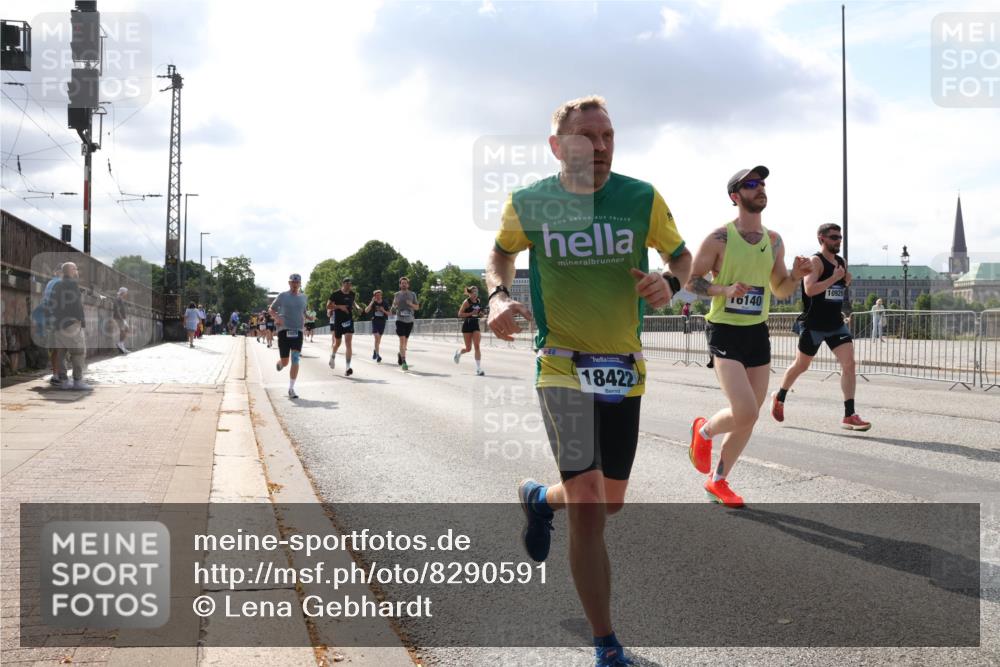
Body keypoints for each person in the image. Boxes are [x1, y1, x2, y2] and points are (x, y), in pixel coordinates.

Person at [486, 96, 691, 667]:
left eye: (608, 136)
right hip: (560, 363)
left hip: (623, 366)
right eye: (586, 137)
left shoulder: (641, 197)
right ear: (558, 146)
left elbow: (682, 257)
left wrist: (671, 284)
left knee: (611, 502)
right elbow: (499, 256)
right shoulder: (532, 202)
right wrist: (498, 296)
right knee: (587, 502)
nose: (599, 148)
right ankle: (607, 644)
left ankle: (536, 498)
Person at [685, 166, 812, 509]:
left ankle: (718, 480)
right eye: (751, 184)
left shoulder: (774, 241)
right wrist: (724, 289)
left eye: (762, 183)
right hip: (724, 329)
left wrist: (797, 277)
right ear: (735, 196)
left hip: (757, 331)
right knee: (743, 410)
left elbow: (781, 289)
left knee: (750, 415)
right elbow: (692, 281)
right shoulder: (718, 238)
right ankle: (704, 432)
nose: (760, 188)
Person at [770, 223, 872, 431]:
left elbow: (837, 288)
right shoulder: (815, 262)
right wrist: (835, 278)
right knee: (801, 365)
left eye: (840, 237)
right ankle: (779, 396)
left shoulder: (840, 261)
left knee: (849, 364)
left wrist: (845, 280)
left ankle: (849, 414)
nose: (838, 241)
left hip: (835, 324)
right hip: (814, 324)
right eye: (834, 237)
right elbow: (809, 289)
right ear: (821, 239)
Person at [50, 262, 92, 391]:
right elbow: (76, 304)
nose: (77, 270)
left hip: (58, 325)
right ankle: (78, 381)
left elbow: (52, 305)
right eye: (75, 268)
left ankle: (64, 381)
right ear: (71, 270)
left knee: (61, 354)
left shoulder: (56, 285)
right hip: (71, 324)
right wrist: (80, 320)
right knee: (78, 352)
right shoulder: (72, 284)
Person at [271, 273, 313, 399]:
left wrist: (308, 316)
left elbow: (303, 311)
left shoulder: (304, 297)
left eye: (297, 282)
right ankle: (281, 363)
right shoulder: (282, 296)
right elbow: (271, 309)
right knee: (285, 361)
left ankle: (291, 388)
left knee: (295, 358)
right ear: (289, 283)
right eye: (293, 282)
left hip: (298, 331)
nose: (295, 284)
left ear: (300, 284)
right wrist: (277, 317)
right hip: (284, 330)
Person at [327, 277, 360, 376]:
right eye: (347, 284)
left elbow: (353, 302)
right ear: (343, 284)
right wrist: (339, 307)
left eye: (350, 284)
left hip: (348, 320)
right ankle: (332, 356)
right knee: (337, 343)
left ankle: (347, 367)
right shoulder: (335, 294)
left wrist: (357, 307)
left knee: (348, 343)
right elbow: (328, 306)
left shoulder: (352, 294)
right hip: (338, 321)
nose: (349, 286)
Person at [453, 286, 485, 376]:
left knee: (477, 346)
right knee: (468, 348)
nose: (475, 294)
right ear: (470, 293)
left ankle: (478, 369)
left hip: (475, 325)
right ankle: (459, 353)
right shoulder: (466, 302)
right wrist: (471, 313)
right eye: (473, 292)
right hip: (467, 325)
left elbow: (478, 313)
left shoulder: (478, 301)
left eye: (476, 292)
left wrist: (481, 314)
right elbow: (459, 314)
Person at [391, 277, 420, 371]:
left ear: (408, 285)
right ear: (400, 285)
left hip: (409, 321)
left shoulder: (413, 294)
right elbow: (392, 310)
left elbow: (417, 308)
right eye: (402, 283)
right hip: (400, 320)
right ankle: (404, 362)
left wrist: (411, 304)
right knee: (402, 340)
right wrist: (395, 305)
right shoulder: (396, 295)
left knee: (405, 344)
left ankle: (400, 354)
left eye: (405, 283)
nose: (404, 284)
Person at [365, 289, 389, 362]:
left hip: (382, 321)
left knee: (378, 340)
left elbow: (389, 313)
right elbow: (366, 311)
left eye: (379, 295)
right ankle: (378, 355)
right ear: (374, 296)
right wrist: (372, 302)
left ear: (381, 295)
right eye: (376, 295)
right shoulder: (373, 303)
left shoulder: (385, 303)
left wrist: (383, 310)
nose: (378, 296)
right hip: (375, 321)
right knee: (377, 337)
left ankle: (375, 351)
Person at [112, 287, 130, 353]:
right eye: (126, 292)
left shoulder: (120, 298)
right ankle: (120, 344)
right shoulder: (117, 298)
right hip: (119, 317)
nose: (126, 293)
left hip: (122, 317)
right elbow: (117, 309)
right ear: (123, 292)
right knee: (124, 329)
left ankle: (121, 344)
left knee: (126, 329)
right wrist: (121, 318)